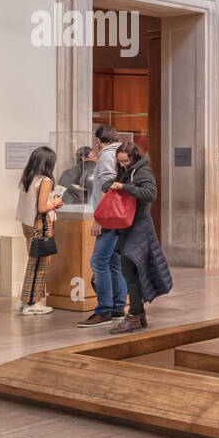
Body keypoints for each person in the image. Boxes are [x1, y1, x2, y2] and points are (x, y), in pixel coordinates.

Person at [103, 143, 172, 333]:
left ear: (134, 157)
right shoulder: (128, 171)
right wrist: (114, 183)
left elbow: (151, 194)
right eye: (119, 162)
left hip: (138, 227)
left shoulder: (143, 172)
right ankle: (137, 314)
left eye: (125, 161)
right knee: (131, 273)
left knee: (130, 273)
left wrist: (124, 186)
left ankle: (134, 316)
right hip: (129, 228)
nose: (122, 165)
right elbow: (107, 185)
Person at [80, 124, 127, 328]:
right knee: (113, 263)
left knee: (98, 262)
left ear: (98, 141)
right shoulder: (120, 154)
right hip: (118, 217)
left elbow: (109, 188)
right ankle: (117, 308)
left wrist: (99, 218)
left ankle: (104, 310)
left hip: (109, 218)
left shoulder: (107, 156)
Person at [15, 147, 64, 315]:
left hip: (28, 224)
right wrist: (55, 204)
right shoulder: (45, 180)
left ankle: (24, 300)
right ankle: (32, 303)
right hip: (40, 224)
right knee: (41, 265)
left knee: (32, 263)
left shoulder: (28, 178)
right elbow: (43, 207)